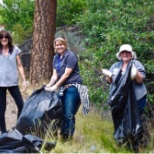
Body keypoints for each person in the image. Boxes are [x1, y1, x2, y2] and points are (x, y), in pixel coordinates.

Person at [102, 44, 148, 151]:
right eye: (123, 52)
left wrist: (134, 71)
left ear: (131, 54)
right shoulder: (115, 66)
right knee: (121, 123)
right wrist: (108, 75)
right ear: (120, 54)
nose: (125, 54)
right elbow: (110, 81)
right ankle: (124, 145)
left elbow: (140, 80)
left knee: (136, 122)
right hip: (120, 101)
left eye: (127, 52)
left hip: (137, 100)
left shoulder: (137, 64)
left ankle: (138, 146)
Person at [45, 37, 90, 141]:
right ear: (54, 46)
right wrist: (49, 85)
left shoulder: (71, 56)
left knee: (68, 114)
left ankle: (68, 138)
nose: (59, 47)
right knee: (57, 112)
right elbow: (55, 75)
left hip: (72, 88)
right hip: (62, 88)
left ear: (65, 45)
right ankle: (60, 135)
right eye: (57, 45)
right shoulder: (55, 58)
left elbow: (66, 75)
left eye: (61, 44)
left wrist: (55, 86)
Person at [0, 30, 28, 134]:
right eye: (1, 37)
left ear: (8, 38)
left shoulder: (15, 49)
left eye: (5, 37)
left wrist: (24, 80)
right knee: (1, 109)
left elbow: (20, 65)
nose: (3, 39)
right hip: (0, 84)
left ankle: (18, 128)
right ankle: (3, 131)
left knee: (21, 105)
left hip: (13, 83)